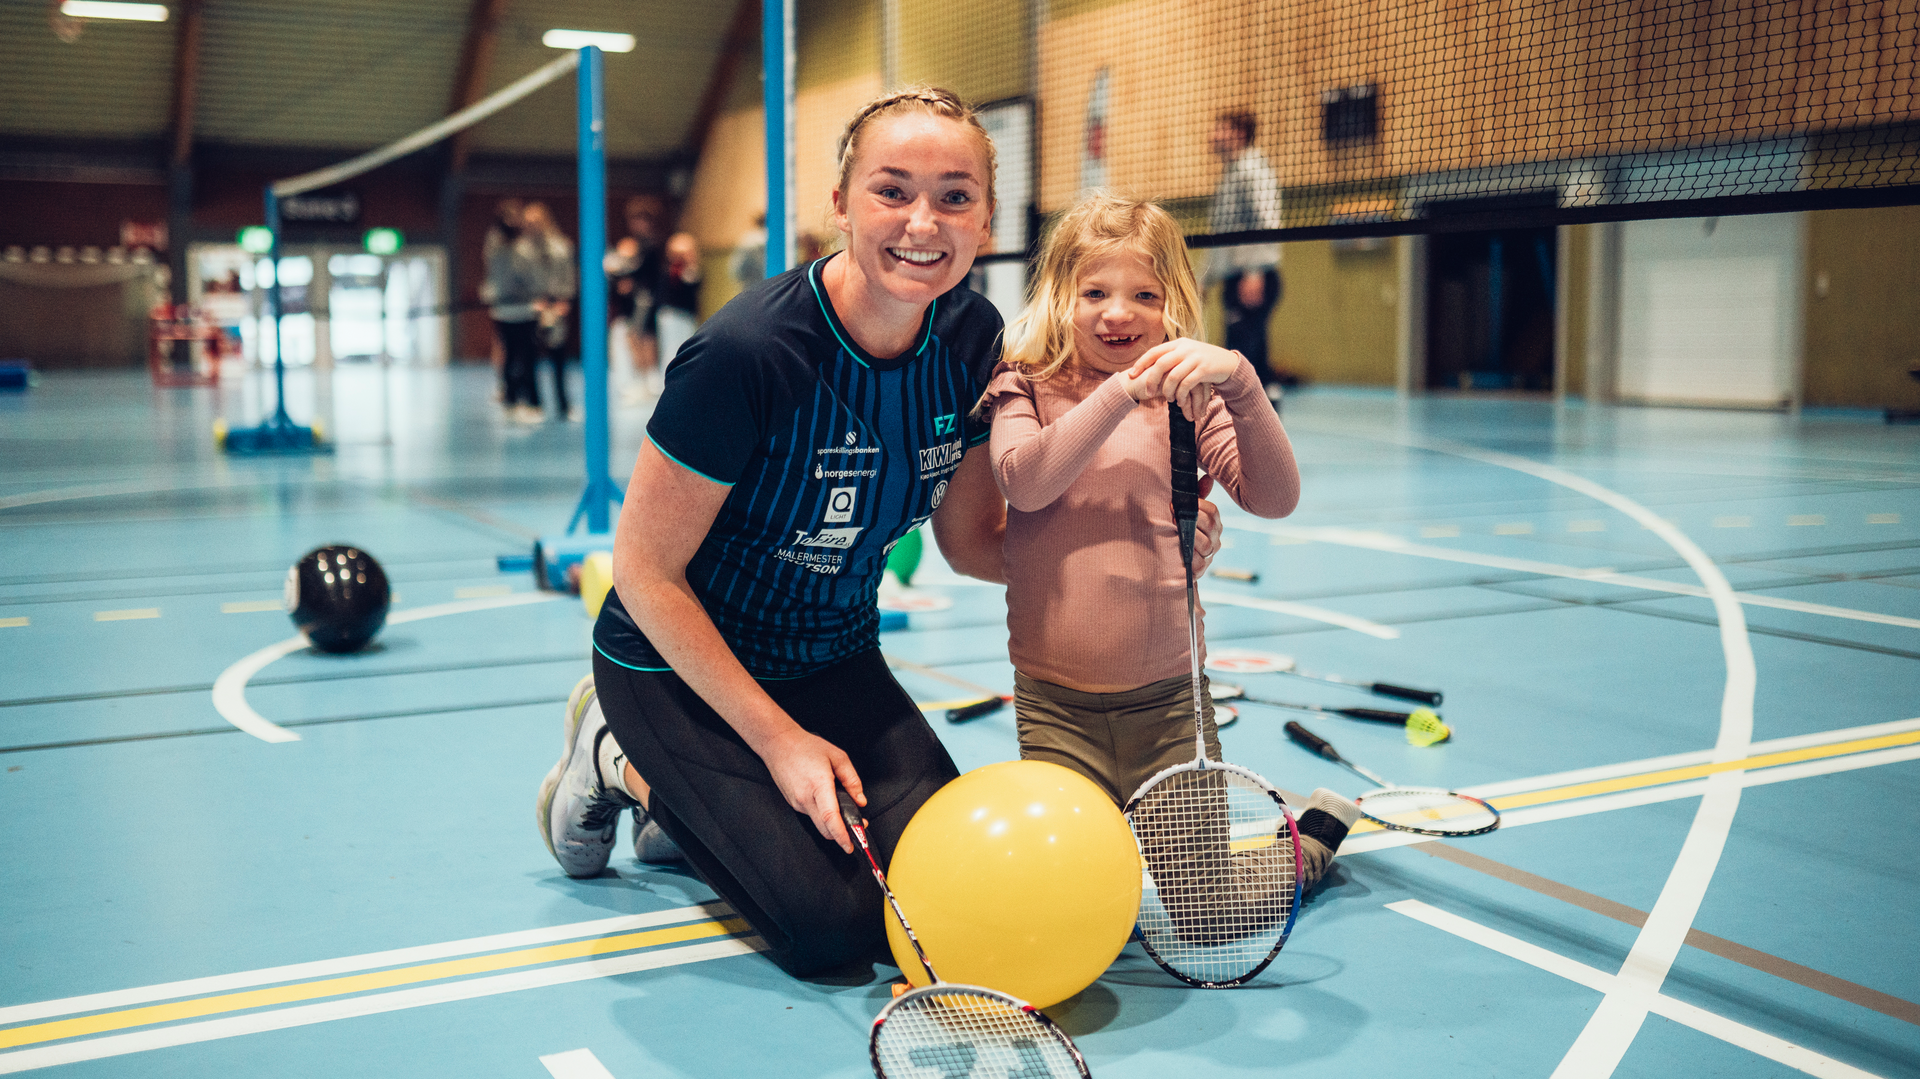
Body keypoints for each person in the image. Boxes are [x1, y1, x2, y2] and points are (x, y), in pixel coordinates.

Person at [534, 88, 1224, 977]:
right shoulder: (747, 355)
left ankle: (692, 808)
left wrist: (1136, 553)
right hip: (678, 665)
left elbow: (974, 541)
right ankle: (618, 757)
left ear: (984, 221)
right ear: (841, 205)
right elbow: (643, 571)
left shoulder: (974, 337)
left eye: (955, 196)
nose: (922, 222)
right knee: (835, 928)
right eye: (892, 191)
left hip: (834, 657)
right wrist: (780, 741)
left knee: (939, 899)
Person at [975, 193, 1358, 903]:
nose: (1117, 313)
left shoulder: (1191, 400)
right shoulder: (1021, 382)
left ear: (1172, 302)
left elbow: (1274, 497)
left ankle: (1307, 845)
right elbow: (1024, 483)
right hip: (1056, 711)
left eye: (1143, 295)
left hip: (1169, 706)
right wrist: (1122, 391)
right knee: (1077, 908)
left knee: (1209, 914)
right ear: (1061, 294)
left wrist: (1240, 383)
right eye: (1095, 291)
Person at [1205, 111, 1289, 398]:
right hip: (1236, 276)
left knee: (1243, 357)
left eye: (1220, 129)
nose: (1212, 135)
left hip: (1253, 276)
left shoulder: (1253, 169)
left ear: (1238, 134)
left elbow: (1267, 221)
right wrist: (1204, 279)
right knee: (1245, 353)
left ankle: (1259, 418)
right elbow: (1224, 233)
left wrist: (1255, 271)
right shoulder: (1233, 172)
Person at [480, 199, 545, 424]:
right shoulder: (496, 246)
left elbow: (532, 278)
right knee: (512, 357)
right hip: (506, 311)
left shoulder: (523, 247)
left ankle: (530, 402)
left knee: (526, 357)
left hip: (525, 311)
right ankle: (512, 400)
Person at [521, 201, 579, 421]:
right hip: (532, 307)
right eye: (528, 222)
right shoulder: (522, 250)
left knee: (559, 357)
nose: (532, 226)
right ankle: (534, 404)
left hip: (556, 306)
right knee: (529, 357)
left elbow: (569, 275)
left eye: (536, 221)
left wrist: (565, 300)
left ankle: (564, 405)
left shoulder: (561, 246)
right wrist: (530, 301)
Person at [607, 195, 667, 402]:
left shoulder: (649, 245)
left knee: (638, 337)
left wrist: (627, 275)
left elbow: (641, 271)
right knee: (643, 337)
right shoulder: (640, 244)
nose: (634, 225)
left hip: (644, 299)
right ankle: (648, 381)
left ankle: (645, 382)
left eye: (638, 220)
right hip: (641, 298)